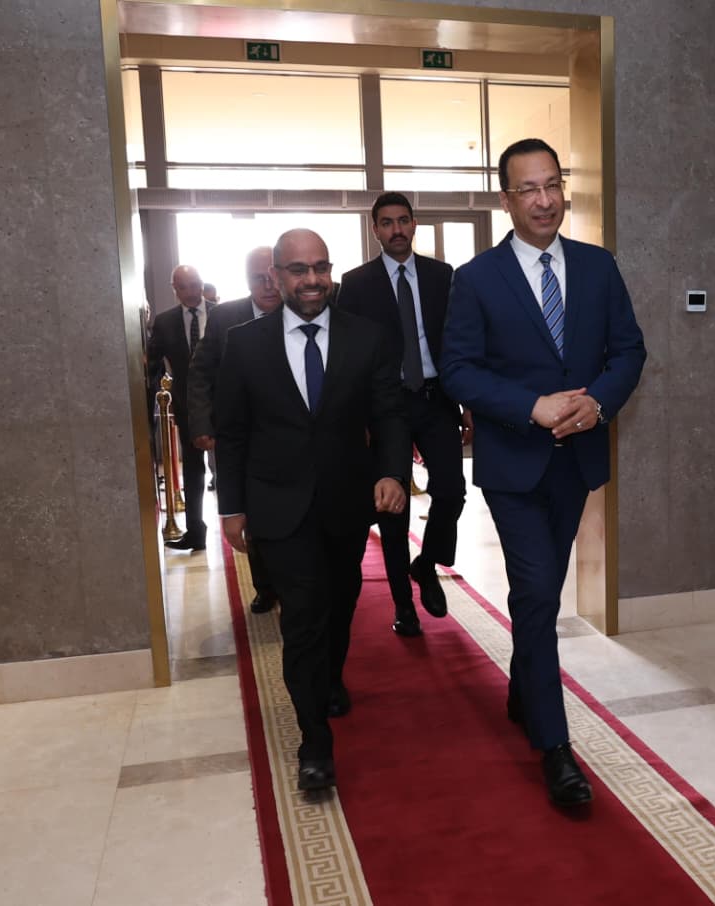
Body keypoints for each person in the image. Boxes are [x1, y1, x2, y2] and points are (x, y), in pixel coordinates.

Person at [440, 138, 646, 808]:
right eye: (528, 189)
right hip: (513, 465)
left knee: (541, 593)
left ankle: (520, 683)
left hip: (575, 463)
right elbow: (459, 370)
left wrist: (598, 403)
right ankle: (555, 748)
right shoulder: (477, 278)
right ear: (507, 199)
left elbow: (629, 350)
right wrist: (530, 406)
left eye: (552, 184)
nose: (544, 199)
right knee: (535, 593)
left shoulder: (597, 267)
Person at [217, 229, 410, 792]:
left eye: (321, 268)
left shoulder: (366, 337)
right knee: (302, 618)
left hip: (346, 500)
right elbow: (232, 433)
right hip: (277, 504)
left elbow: (390, 412)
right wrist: (232, 507)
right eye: (299, 270)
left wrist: (391, 471)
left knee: (340, 603)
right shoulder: (244, 344)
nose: (312, 280)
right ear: (276, 277)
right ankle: (314, 743)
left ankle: (329, 678)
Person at [339, 193, 471, 637]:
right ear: (375, 229)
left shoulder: (441, 275)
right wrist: (358, 420)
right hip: (385, 405)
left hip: (435, 399)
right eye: (386, 222)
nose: (396, 229)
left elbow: (458, 343)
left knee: (452, 491)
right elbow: (348, 356)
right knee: (392, 510)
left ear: (414, 225)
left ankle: (427, 563)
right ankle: (403, 606)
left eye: (403, 220)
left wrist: (468, 403)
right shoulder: (356, 284)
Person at [187, 246, 285, 614]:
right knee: (255, 517)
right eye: (259, 279)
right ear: (246, 281)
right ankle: (265, 586)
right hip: (245, 439)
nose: (268, 286)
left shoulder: (303, 311)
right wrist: (202, 422)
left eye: (273, 277)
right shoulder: (225, 318)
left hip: (293, 437)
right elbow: (200, 374)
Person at [147, 265, 217, 552]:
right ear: (174, 289)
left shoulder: (222, 314)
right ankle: (196, 532)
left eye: (195, 284)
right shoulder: (164, 322)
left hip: (227, 403)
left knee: (233, 468)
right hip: (187, 407)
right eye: (183, 286)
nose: (191, 291)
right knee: (193, 470)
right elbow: (151, 364)